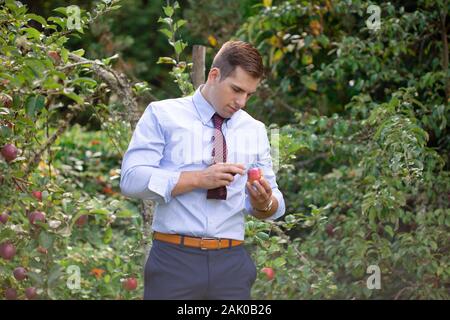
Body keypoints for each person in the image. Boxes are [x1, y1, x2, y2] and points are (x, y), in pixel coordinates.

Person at [120, 40, 285, 300]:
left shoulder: (254, 130)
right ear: (214, 75)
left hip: (232, 264)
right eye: (236, 90)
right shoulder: (163, 115)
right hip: (174, 261)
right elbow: (131, 179)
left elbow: (276, 204)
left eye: (249, 94)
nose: (241, 102)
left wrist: (264, 203)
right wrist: (198, 179)